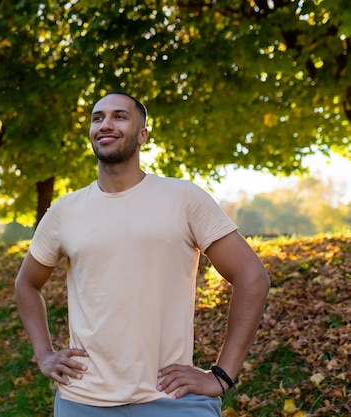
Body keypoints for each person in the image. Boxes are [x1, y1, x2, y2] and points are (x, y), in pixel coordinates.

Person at [14, 91, 271, 417]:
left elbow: (252, 277)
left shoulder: (183, 198)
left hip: (173, 399)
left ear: (143, 135)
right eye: (97, 118)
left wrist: (222, 375)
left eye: (119, 116)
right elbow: (26, 284)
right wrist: (44, 354)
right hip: (83, 401)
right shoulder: (65, 211)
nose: (105, 124)